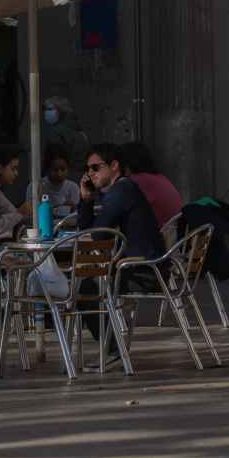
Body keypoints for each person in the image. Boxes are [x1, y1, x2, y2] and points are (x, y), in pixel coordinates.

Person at [72, 142, 165, 354]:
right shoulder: (124, 189)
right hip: (150, 268)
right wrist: (86, 200)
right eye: (87, 169)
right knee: (86, 283)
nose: (90, 174)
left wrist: (86, 204)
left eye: (96, 168)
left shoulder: (121, 192)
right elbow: (93, 232)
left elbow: (96, 235)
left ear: (114, 166)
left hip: (143, 273)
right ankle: (113, 348)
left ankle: (113, 350)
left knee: (83, 288)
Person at [119, 141, 184, 230]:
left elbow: (117, 210)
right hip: (177, 238)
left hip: (161, 239)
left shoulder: (137, 181)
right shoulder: (159, 177)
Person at [39, 151, 81, 220]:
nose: (59, 174)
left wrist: (74, 208)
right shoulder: (37, 186)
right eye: (55, 170)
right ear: (47, 169)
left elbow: (76, 216)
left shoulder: (73, 187)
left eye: (63, 169)